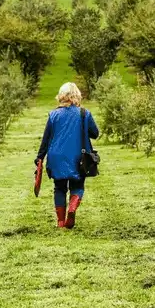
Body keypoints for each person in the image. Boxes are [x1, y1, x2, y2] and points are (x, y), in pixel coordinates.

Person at [35, 82, 99, 229]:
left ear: (61, 96)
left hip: (56, 156)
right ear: (77, 96)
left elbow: (46, 139)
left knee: (59, 188)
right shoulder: (84, 114)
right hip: (78, 157)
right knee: (77, 185)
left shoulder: (53, 115)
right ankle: (72, 208)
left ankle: (60, 222)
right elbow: (95, 133)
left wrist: (40, 157)